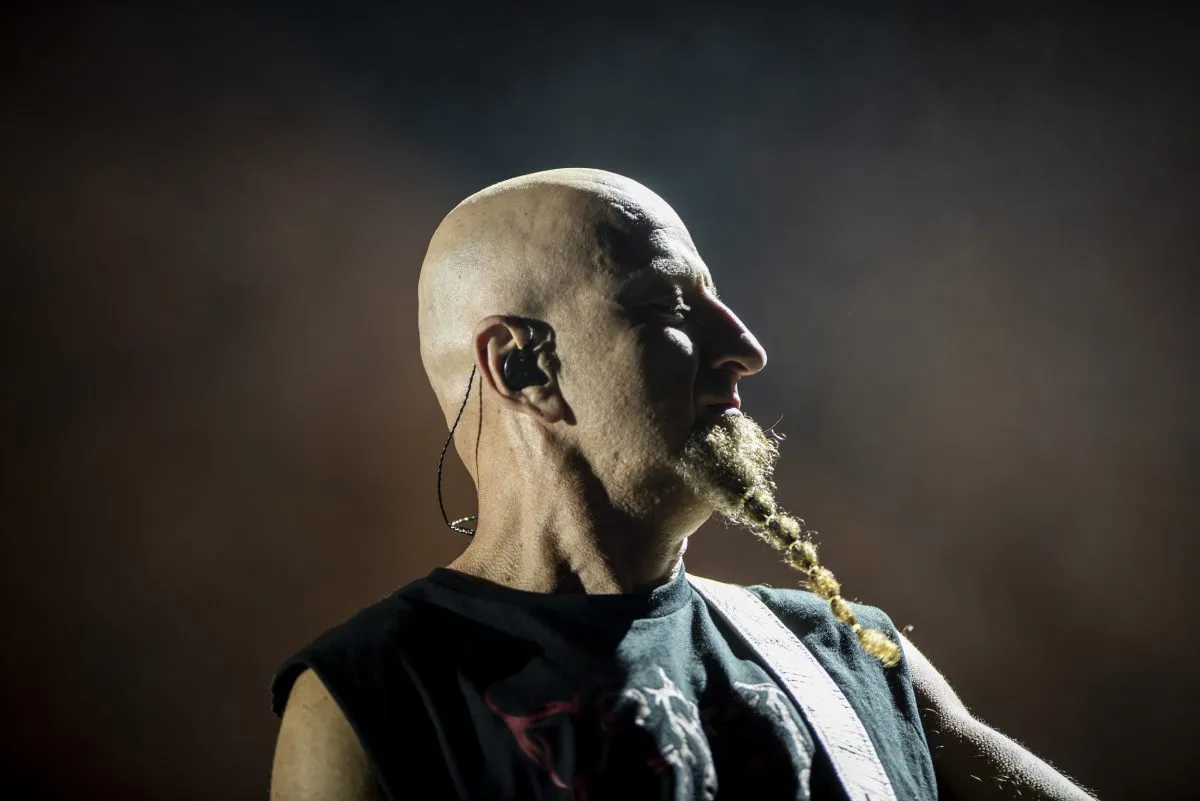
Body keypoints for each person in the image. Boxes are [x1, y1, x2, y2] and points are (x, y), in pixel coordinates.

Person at [268, 168, 1095, 800]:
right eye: (669, 305)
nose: (747, 349)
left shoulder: (849, 659)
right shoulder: (377, 696)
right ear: (523, 367)